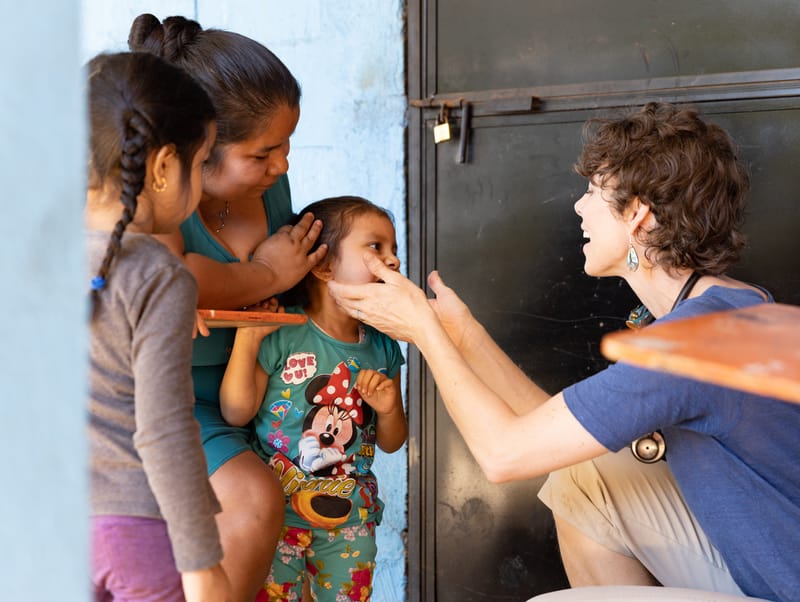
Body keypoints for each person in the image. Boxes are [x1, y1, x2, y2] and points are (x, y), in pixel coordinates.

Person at [328, 103, 800, 602]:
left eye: (593, 192)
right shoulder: (730, 305)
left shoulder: (692, 344)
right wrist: (462, 333)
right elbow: (550, 435)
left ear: (637, 213)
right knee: (582, 476)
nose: (578, 207)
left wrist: (424, 332)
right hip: (768, 563)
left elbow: (504, 456)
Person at [128, 14, 328, 601]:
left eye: (287, 146)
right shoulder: (149, 189)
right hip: (165, 400)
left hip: (252, 397)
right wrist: (265, 273)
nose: (283, 166)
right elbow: (179, 279)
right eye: (263, 153)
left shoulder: (270, 190)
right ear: (198, 150)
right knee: (251, 500)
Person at [86, 52, 229, 601]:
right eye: (203, 162)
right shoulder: (158, 275)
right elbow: (163, 428)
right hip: (137, 533)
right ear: (165, 167)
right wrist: (201, 564)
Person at [219, 196, 408, 601]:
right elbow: (236, 412)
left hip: (351, 523)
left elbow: (392, 442)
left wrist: (389, 409)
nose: (392, 261)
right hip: (278, 519)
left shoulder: (385, 349)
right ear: (323, 266)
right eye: (375, 247)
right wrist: (247, 341)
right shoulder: (284, 333)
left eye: (394, 251)